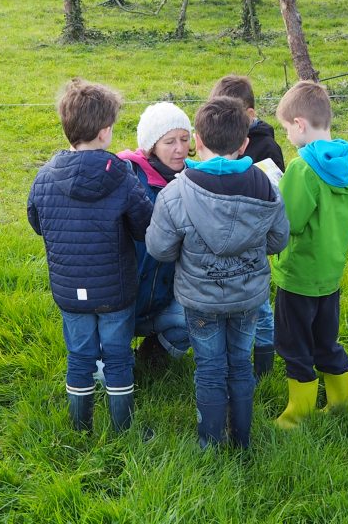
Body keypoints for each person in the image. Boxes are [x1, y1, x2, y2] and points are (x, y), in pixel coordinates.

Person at [146, 96, 289, 449]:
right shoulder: (266, 187)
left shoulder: (176, 193)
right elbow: (278, 240)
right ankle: (242, 441)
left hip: (201, 302)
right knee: (240, 364)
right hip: (247, 298)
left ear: (197, 140)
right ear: (244, 144)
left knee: (209, 368)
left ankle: (209, 443)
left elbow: (159, 249)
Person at [27, 78, 153, 433]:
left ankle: (80, 427)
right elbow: (144, 227)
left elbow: (36, 221)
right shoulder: (123, 176)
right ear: (105, 131)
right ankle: (123, 428)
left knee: (79, 355)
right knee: (118, 356)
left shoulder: (44, 177)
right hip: (115, 291)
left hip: (69, 289)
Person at [271, 80, 348, 429]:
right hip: (330, 272)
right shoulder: (347, 163)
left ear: (299, 124)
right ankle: (341, 404)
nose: (287, 136)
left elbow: (289, 221)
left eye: (286, 128)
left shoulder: (302, 168)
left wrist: (277, 192)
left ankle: (298, 416)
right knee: (326, 341)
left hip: (299, 275)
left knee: (294, 345)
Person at [209, 75, 285, 379]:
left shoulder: (266, 146)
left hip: (253, 236)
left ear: (250, 114)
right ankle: (232, 357)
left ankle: (264, 365)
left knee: (260, 305)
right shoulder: (219, 140)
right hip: (223, 233)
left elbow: (275, 194)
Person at [117, 102, 192, 368]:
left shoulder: (194, 180)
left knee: (199, 319)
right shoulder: (124, 177)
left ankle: (152, 358)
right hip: (120, 302)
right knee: (107, 368)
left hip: (165, 300)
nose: (180, 148)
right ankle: (114, 356)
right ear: (151, 146)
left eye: (184, 138)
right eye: (169, 142)